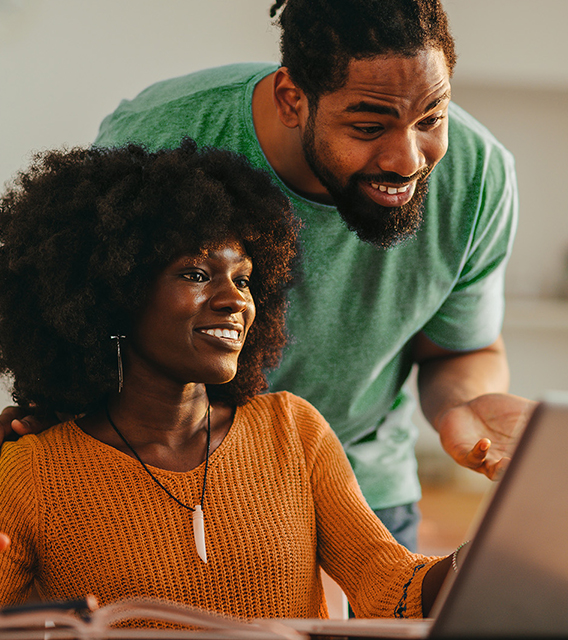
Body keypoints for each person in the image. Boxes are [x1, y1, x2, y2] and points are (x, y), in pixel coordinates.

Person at [0, 0, 536, 551]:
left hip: (364, 486)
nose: (407, 159)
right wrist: (53, 416)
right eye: (369, 125)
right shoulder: (166, 134)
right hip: (164, 480)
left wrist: (462, 407)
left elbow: (456, 350)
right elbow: (79, 310)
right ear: (292, 99)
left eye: (432, 119)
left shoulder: (479, 177)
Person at [0, 140, 456, 619]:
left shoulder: (292, 431)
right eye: (197, 274)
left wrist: (491, 550)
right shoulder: (34, 471)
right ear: (116, 294)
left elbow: (391, 587)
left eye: (243, 279)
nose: (235, 300)